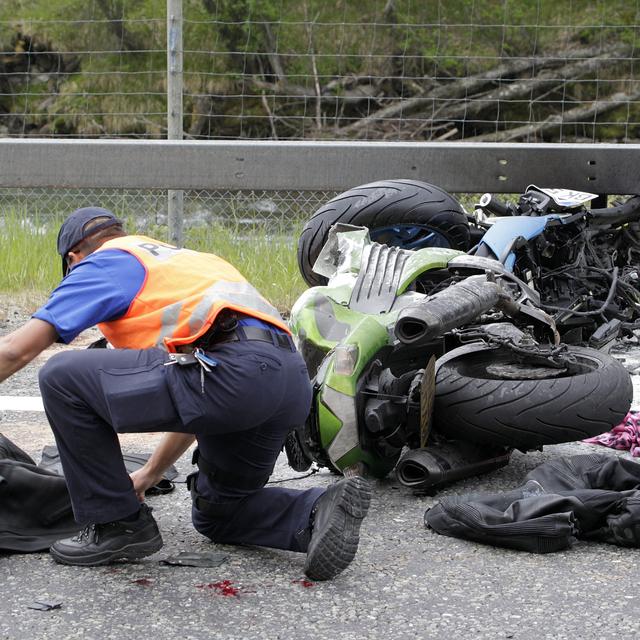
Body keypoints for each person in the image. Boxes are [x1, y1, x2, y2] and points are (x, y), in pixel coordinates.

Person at [0, 206, 371, 580]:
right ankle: (316, 510)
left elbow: (17, 350)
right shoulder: (186, 264)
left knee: (62, 376)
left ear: (73, 258)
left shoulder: (105, 262)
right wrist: (148, 473)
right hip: (285, 382)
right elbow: (197, 400)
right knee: (220, 512)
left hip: (232, 375)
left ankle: (116, 525)